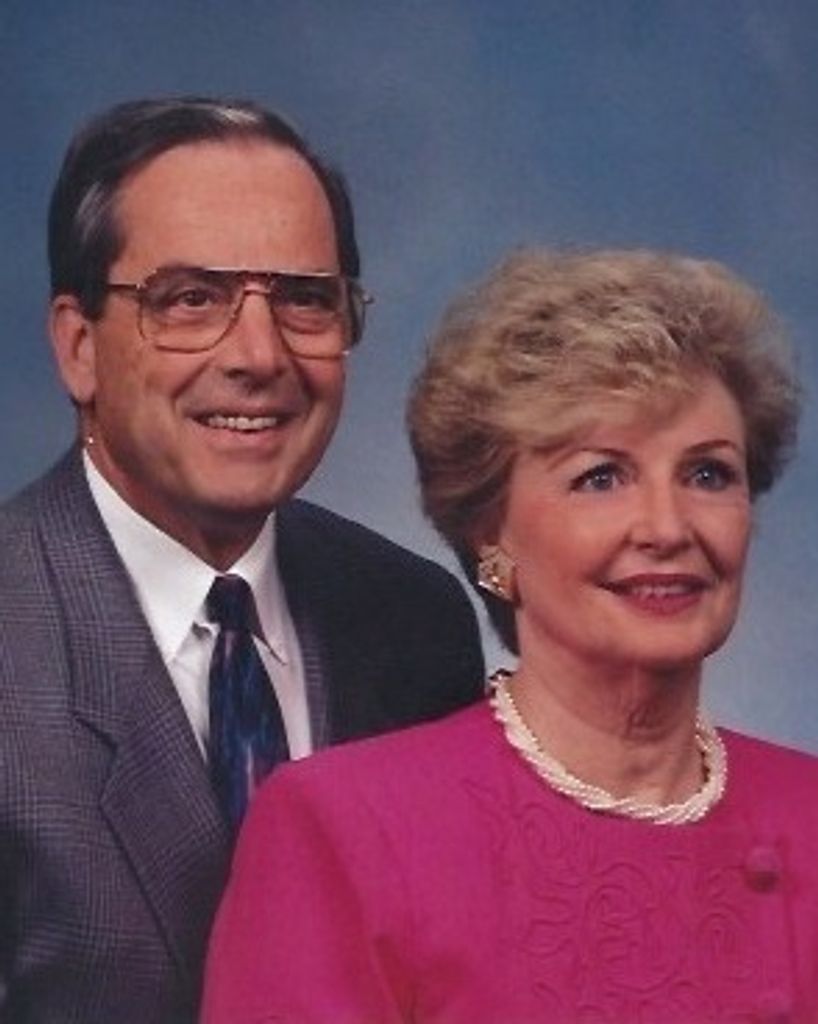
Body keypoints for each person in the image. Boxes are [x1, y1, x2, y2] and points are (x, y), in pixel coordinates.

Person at [202, 248, 818, 1023]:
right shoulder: (346, 828)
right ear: (492, 535)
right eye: (601, 477)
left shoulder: (807, 808)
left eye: (708, 475)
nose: (668, 528)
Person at [0, 97, 484, 1024]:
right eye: (191, 299)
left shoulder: (415, 621)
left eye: (305, 299)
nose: (260, 355)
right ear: (78, 347)